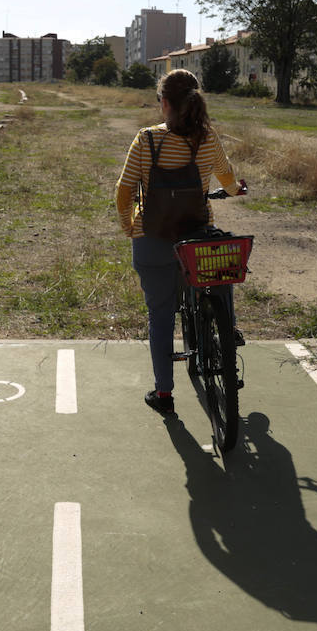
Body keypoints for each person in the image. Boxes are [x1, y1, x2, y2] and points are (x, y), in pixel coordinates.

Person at [115, 69, 240, 415]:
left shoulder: (147, 139)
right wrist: (235, 189)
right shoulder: (208, 138)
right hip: (196, 238)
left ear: (165, 103)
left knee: (160, 316)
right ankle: (225, 331)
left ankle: (164, 395)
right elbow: (228, 180)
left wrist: (128, 224)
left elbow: (124, 190)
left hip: (153, 238)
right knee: (218, 279)